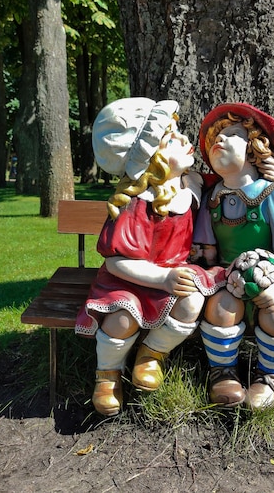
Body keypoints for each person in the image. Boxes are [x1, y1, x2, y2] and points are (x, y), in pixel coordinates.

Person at [75, 97, 225, 416]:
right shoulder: (136, 203)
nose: (185, 140)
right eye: (171, 139)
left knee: (192, 302)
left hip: (172, 275)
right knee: (122, 318)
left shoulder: (193, 187)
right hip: (129, 280)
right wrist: (161, 277)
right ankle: (107, 374)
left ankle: (152, 353)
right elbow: (116, 260)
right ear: (150, 158)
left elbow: (232, 182)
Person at [192, 103, 274, 410]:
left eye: (232, 134)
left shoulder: (272, 194)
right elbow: (207, 249)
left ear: (254, 149)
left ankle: (270, 376)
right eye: (215, 137)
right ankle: (223, 373)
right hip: (227, 276)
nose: (220, 140)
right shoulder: (213, 198)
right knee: (220, 309)